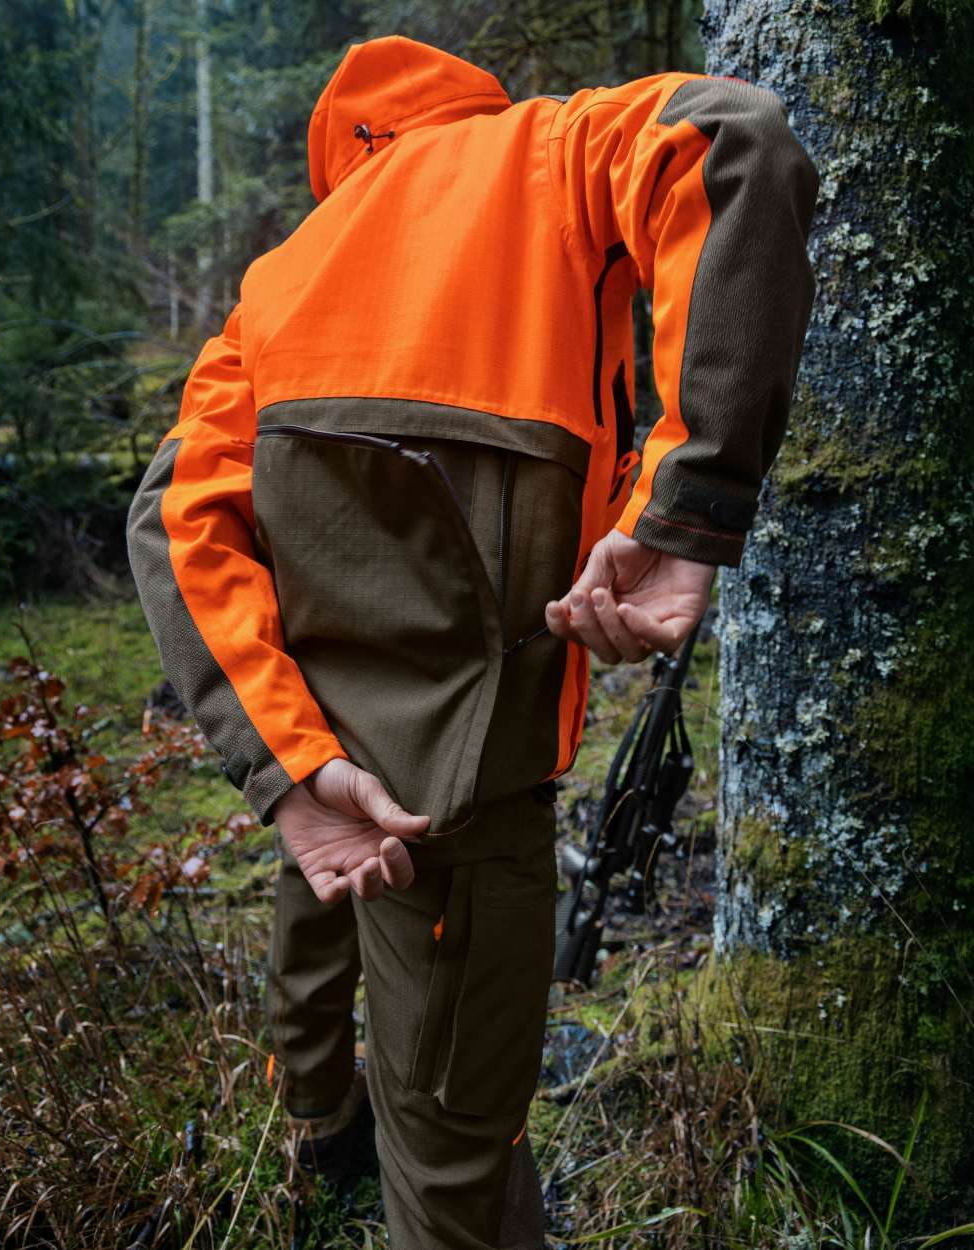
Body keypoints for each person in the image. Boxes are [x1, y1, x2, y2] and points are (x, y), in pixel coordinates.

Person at [126, 33, 818, 1250]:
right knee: (454, 1152)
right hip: (465, 791)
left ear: (344, 153)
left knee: (322, 931)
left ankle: (319, 1138)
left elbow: (172, 518)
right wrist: (689, 497)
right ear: (463, 107)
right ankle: (374, 1164)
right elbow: (732, 139)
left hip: (327, 765)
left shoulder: (280, 275)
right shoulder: (549, 149)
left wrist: (287, 768)